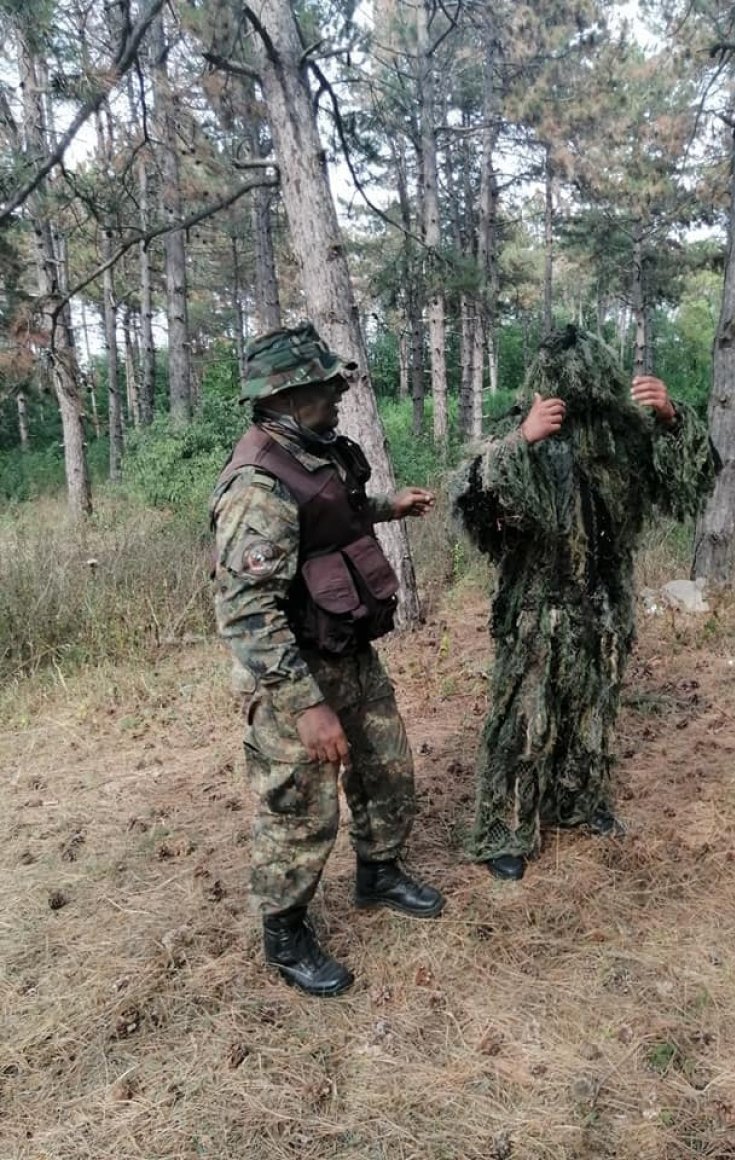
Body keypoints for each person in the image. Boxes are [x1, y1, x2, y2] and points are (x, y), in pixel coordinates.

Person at [211, 323, 444, 998]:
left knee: (386, 766)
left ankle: (380, 873)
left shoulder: (316, 450)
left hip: (346, 648)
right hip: (292, 671)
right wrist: (307, 706)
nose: (338, 394)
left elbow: (332, 513)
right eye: (325, 387)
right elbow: (246, 611)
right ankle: (284, 934)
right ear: (287, 397)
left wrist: (386, 507)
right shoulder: (256, 483)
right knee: (300, 806)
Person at [452, 325, 718, 881]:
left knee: (592, 714)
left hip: (603, 605)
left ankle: (577, 801)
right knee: (523, 721)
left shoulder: (625, 436)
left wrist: (671, 417)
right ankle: (507, 826)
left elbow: (689, 482)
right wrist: (520, 441)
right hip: (536, 606)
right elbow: (473, 499)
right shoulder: (522, 427)